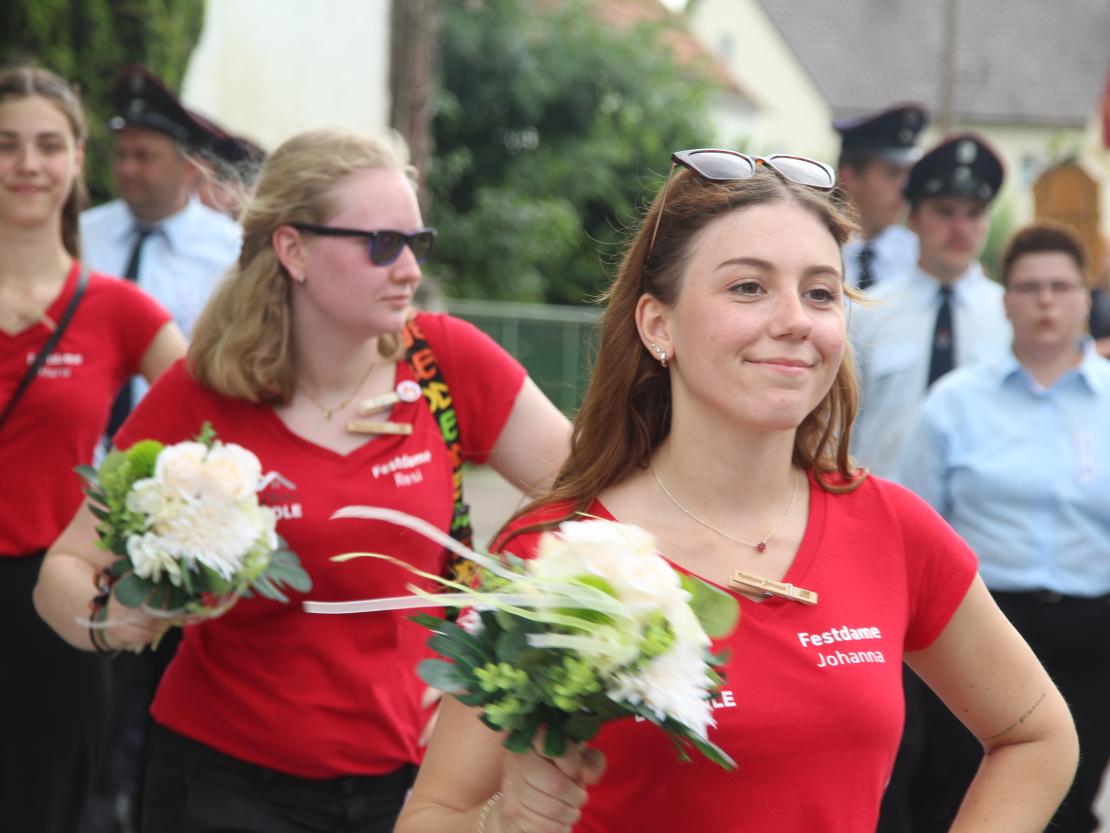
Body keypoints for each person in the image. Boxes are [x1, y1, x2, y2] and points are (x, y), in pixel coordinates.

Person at [392, 148, 1078, 833]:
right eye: (748, 287)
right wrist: (501, 821)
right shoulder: (554, 552)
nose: (795, 320)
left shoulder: (894, 529)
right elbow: (433, 812)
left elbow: (1037, 736)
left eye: (819, 292)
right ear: (658, 325)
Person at [33, 127, 571, 833]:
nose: (408, 268)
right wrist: (112, 619)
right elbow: (64, 569)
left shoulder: (444, 362)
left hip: (409, 788)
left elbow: (589, 495)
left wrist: (492, 617)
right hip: (221, 784)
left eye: (418, 242)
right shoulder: (204, 391)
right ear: (293, 250)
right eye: (382, 243)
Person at [0, 64, 184, 833]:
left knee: (46, 805)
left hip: (52, 599)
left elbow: (215, 414)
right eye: (6, 145)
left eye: (48, 144)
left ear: (77, 159)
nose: (28, 164)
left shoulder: (116, 311)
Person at [899, 221, 1110, 833]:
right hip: (979, 629)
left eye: (1061, 287)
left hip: (1090, 636)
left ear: (1085, 297)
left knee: (1068, 806)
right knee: (958, 795)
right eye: (1029, 287)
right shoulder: (955, 402)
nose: (1046, 301)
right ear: (1004, 299)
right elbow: (917, 529)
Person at [81, 64, 242, 424]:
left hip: (180, 440)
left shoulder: (229, 250)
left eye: (145, 156)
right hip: (83, 442)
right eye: (121, 155)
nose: (128, 169)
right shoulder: (83, 235)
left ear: (188, 168)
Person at [851, 133, 1012, 480]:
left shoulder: (1008, 315)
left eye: (974, 214)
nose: (960, 228)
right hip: (887, 509)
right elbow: (840, 429)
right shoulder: (867, 313)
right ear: (914, 218)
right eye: (945, 212)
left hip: (979, 516)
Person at [834, 103, 928, 291]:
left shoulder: (918, 256)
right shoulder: (818, 244)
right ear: (850, 175)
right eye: (892, 174)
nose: (905, 187)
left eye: (908, 175)